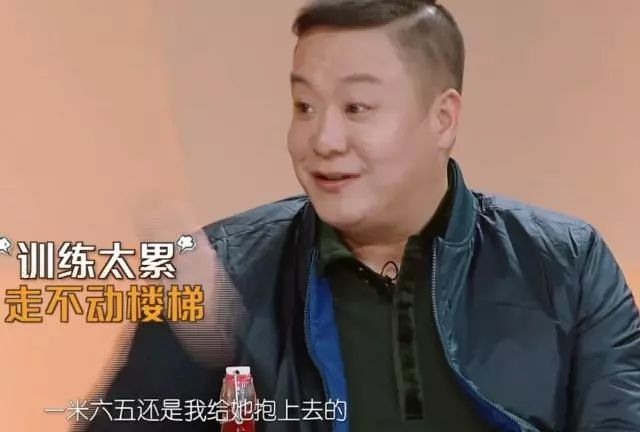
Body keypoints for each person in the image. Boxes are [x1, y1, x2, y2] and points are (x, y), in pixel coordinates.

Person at [83, 1, 640, 431]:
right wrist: (181, 349)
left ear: (443, 118)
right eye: (304, 106)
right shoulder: (223, 268)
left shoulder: (567, 264)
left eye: (357, 107)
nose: (322, 139)